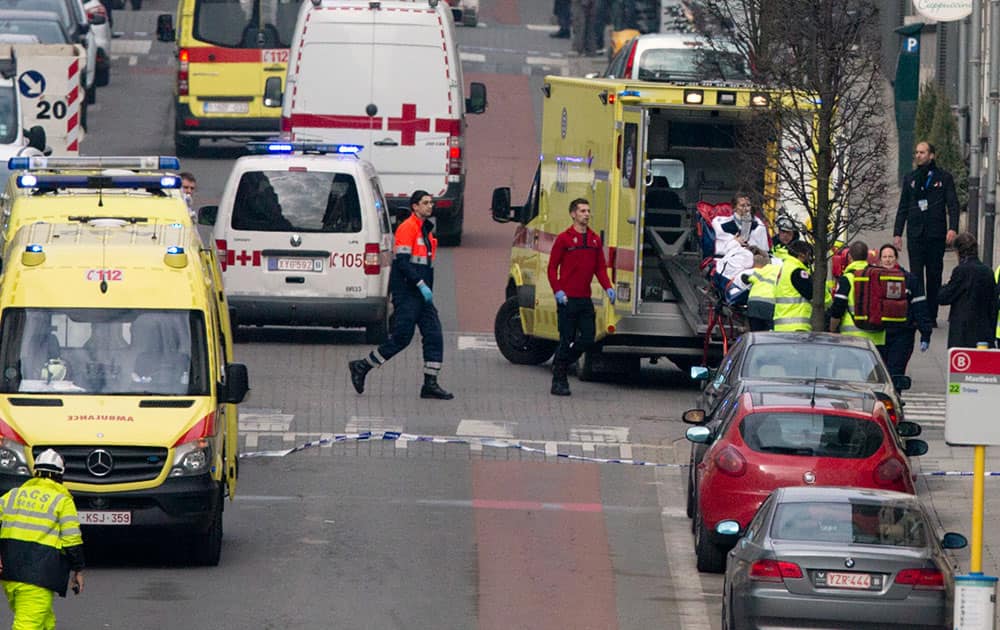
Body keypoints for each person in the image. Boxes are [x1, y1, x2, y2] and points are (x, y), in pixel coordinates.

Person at [348, 190, 453, 400]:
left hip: (422, 296)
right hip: (408, 293)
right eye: (425, 203)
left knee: (434, 335)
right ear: (415, 206)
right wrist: (420, 284)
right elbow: (403, 263)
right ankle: (362, 366)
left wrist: (425, 290)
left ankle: (430, 384)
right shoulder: (408, 229)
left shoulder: (427, 232)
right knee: (401, 339)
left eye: (431, 203)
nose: (430, 206)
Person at [0, 449, 84, 629]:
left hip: (10, 573)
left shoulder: (13, 495)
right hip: (38, 574)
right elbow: (72, 540)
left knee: (45, 621)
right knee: (28, 624)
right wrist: (77, 570)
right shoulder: (62, 500)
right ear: (61, 474)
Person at [547, 198, 615, 396]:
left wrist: (607, 287)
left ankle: (561, 363)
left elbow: (599, 268)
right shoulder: (564, 239)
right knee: (566, 338)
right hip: (567, 299)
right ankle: (559, 381)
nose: (586, 214)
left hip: (585, 299)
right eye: (582, 211)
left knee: (588, 337)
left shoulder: (594, 240)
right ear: (573, 214)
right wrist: (557, 290)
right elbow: (552, 268)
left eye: (588, 211)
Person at [892, 141, 961, 324]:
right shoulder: (910, 178)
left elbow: (953, 205)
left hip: (935, 235)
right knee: (916, 276)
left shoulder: (943, 178)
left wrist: (952, 228)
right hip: (915, 235)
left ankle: (931, 314)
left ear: (932, 155)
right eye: (916, 152)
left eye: (922, 152)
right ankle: (917, 313)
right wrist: (897, 233)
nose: (918, 155)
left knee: (934, 275)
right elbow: (903, 207)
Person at [878, 244, 933, 377]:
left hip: (902, 334)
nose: (887, 260)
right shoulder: (875, 279)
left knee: (896, 373)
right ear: (880, 260)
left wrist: (925, 333)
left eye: (890, 256)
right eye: (884, 257)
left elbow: (920, 308)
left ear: (896, 258)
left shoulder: (910, 280)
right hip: (879, 333)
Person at [937, 232, 998, 349]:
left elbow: (944, 297)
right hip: (984, 333)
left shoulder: (961, 271)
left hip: (962, 333)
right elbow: (994, 305)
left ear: (958, 252)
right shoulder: (988, 272)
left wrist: (944, 286)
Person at [830, 241, 886, 353]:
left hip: (852, 338)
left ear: (849, 257)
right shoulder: (879, 276)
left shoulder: (847, 278)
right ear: (866, 257)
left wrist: (831, 329)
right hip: (878, 338)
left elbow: (838, 307)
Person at [772, 240, 815, 332]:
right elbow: (811, 294)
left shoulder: (786, 268)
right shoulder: (798, 271)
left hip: (781, 325)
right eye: (809, 255)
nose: (811, 259)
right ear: (802, 254)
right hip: (797, 326)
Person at [743, 250, 780, 331]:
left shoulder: (764, 269)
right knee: (768, 334)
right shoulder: (782, 272)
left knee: (755, 332)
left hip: (754, 304)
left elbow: (749, 278)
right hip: (770, 305)